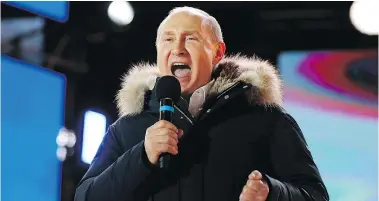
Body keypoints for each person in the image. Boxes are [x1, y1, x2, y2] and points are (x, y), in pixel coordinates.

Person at [75, 6, 329, 201]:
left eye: (191, 38)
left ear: (217, 52)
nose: (178, 49)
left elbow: (315, 195)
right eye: (168, 39)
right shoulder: (127, 128)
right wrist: (141, 156)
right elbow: (86, 196)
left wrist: (271, 192)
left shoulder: (267, 120)